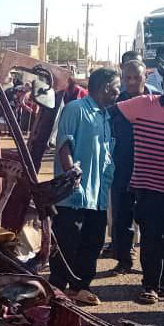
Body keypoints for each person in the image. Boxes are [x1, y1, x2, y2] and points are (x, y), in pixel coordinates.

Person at [49, 68, 120, 306]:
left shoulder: (104, 116)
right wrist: (71, 172)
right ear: (105, 87)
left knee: (93, 242)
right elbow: (64, 143)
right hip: (74, 195)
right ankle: (56, 288)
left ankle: (81, 287)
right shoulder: (76, 109)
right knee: (67, 242)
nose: (119, 92)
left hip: (97, 195)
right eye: (116, 87)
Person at [115, 67, 164, 304]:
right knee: (151, 237)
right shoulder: (143, 104)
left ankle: (162, 279)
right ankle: (150, 284)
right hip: (149, 189)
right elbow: (108, 114)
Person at [107, 59, 156, 274]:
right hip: (122, 169)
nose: (132, 82)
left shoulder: (158, 99)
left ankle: (151, 267)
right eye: (127, 78)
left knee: (150, 220)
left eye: (137, 77)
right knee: (121, 218)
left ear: (145, 77)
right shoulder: (116, 101)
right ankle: (124, 260)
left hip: (151, 170)